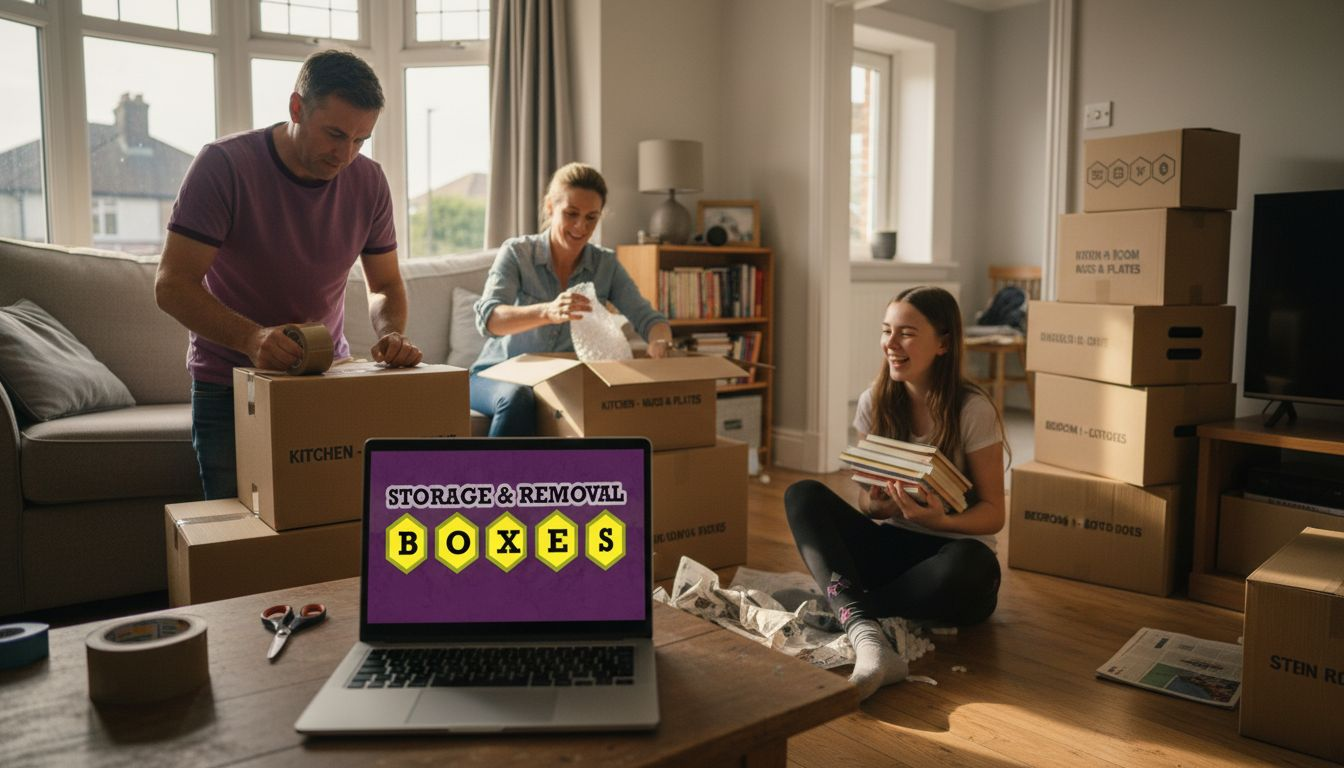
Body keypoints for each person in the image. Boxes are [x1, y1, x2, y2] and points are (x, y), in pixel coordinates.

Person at [155, 50, 422, 500]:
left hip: (325, 380)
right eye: (335, 134)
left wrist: (391, 332)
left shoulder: (369, 181)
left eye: (361, 140)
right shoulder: (223, 165)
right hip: (230, 384)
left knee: (323, 529)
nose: (345, 155)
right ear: (297, 107)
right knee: (234, 539)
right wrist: (252, 338)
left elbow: (385, 286)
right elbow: (172, 285)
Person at [784, 286, 1007, 700]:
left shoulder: (972, 408)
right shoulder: (876, 401)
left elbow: (994, 514)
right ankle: (868, 631)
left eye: (906, 333)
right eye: (887, 331)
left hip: (951, 559)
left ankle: (848, 609)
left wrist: (941, 521)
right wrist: (876, 503)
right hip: (893, 550)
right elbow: (867, 504)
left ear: (943, 343)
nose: (890, 343)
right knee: (803, 494)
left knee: (972, 565)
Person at [469, 163, 673, 436]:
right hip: (496, 375)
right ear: (550, 207)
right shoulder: (518, 253)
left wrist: (660, 340)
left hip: (559, 381)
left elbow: (649, 319)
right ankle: (492, 480)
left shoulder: (605, 264)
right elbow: (490, 320)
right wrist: (547, 312)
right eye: (571, 214)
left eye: (592, 217)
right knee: (518, 397)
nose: (581, 227)